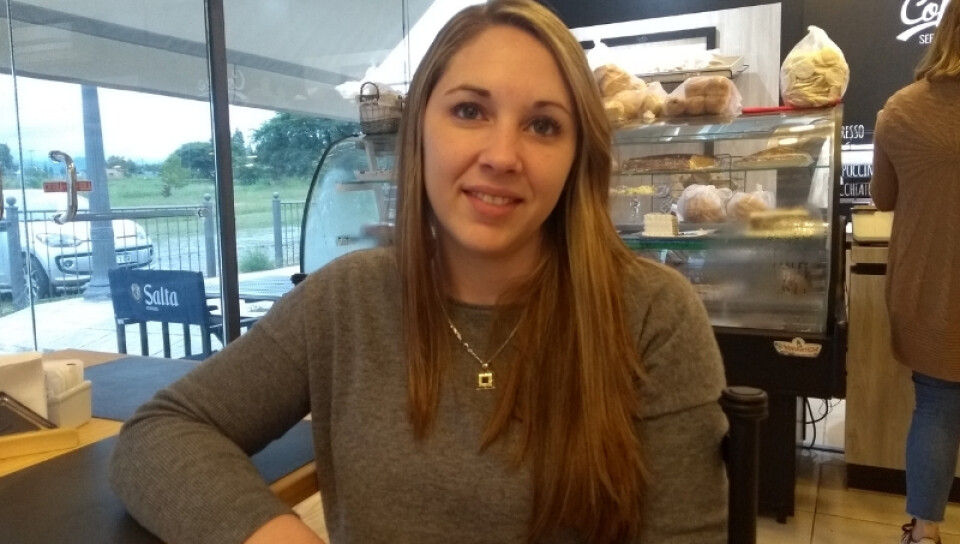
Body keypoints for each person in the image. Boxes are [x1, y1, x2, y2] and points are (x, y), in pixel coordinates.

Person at [109, 1, 728, 543]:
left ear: (577, 155)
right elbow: (161, 433)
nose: (501, 156)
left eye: (543, 125)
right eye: (469, 111)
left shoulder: (652, 312)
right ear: (420, 132)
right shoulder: (347, 299)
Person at [870, 1, 960, 542]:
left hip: (933, 283)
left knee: (938, 406)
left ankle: (924, 534)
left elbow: (882, 197)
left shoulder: (900, 111)